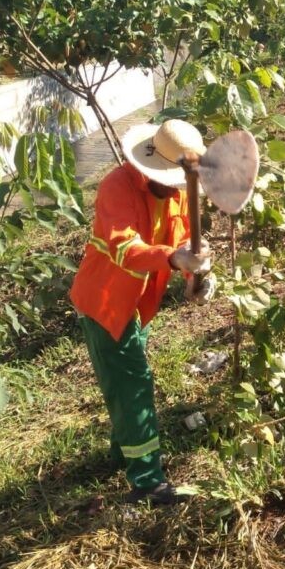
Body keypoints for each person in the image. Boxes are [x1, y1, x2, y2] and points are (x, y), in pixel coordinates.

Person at [70, 120, 216, 506]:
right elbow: (123, 247)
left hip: (139, 304)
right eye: (168, 180)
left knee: (124, 381)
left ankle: (122, 453)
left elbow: (186, 238)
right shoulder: (116, 187)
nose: (173, 188)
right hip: (106, 302)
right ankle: (147, 482)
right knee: (134, 383)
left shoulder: (180, 193)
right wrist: (172, 257)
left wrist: (195, 274)